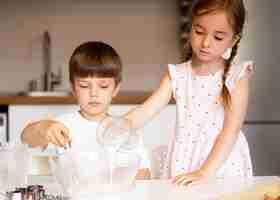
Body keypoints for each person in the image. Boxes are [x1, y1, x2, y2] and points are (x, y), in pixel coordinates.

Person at [125, 0, 253, 185]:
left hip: (221, 165)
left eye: (218, 37)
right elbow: (146, 110)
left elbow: (230, 131)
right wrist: (120, 123)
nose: (206, 43)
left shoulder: (237, 76)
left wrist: (204, 172)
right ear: (191, 27)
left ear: (233, 40)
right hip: (184, 160)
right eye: (199, 32)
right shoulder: (176, 75)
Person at [21, 41, 151, 180]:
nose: (93, 93)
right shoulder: (62, 127)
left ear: (116, 89)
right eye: (84, 86)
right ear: (73, 89)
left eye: (103, 86)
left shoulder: (125, 129)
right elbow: (26, 137)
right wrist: (44, 127)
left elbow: (144, 173)